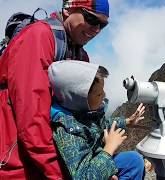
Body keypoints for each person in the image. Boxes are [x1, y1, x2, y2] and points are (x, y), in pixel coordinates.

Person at [0, 0, 111, 179]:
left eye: (103, 25)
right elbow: (32, 117)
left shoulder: (81, 56)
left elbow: (81, 118)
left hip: (48, 162)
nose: (96, 29)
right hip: (17, 165)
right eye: (91, 19)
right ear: (68, 9)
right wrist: (57, 173)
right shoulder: (39, 37)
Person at [48, 60, 145, 180]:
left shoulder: (84, 112)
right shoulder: (68, 131)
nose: (104, 95)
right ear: (80, 99)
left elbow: (102, 124)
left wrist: (126, 121)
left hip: (96, 160)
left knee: (134, 161)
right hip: (90, 169)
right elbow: (83, 177)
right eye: (98, 94)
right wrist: (109, 148)